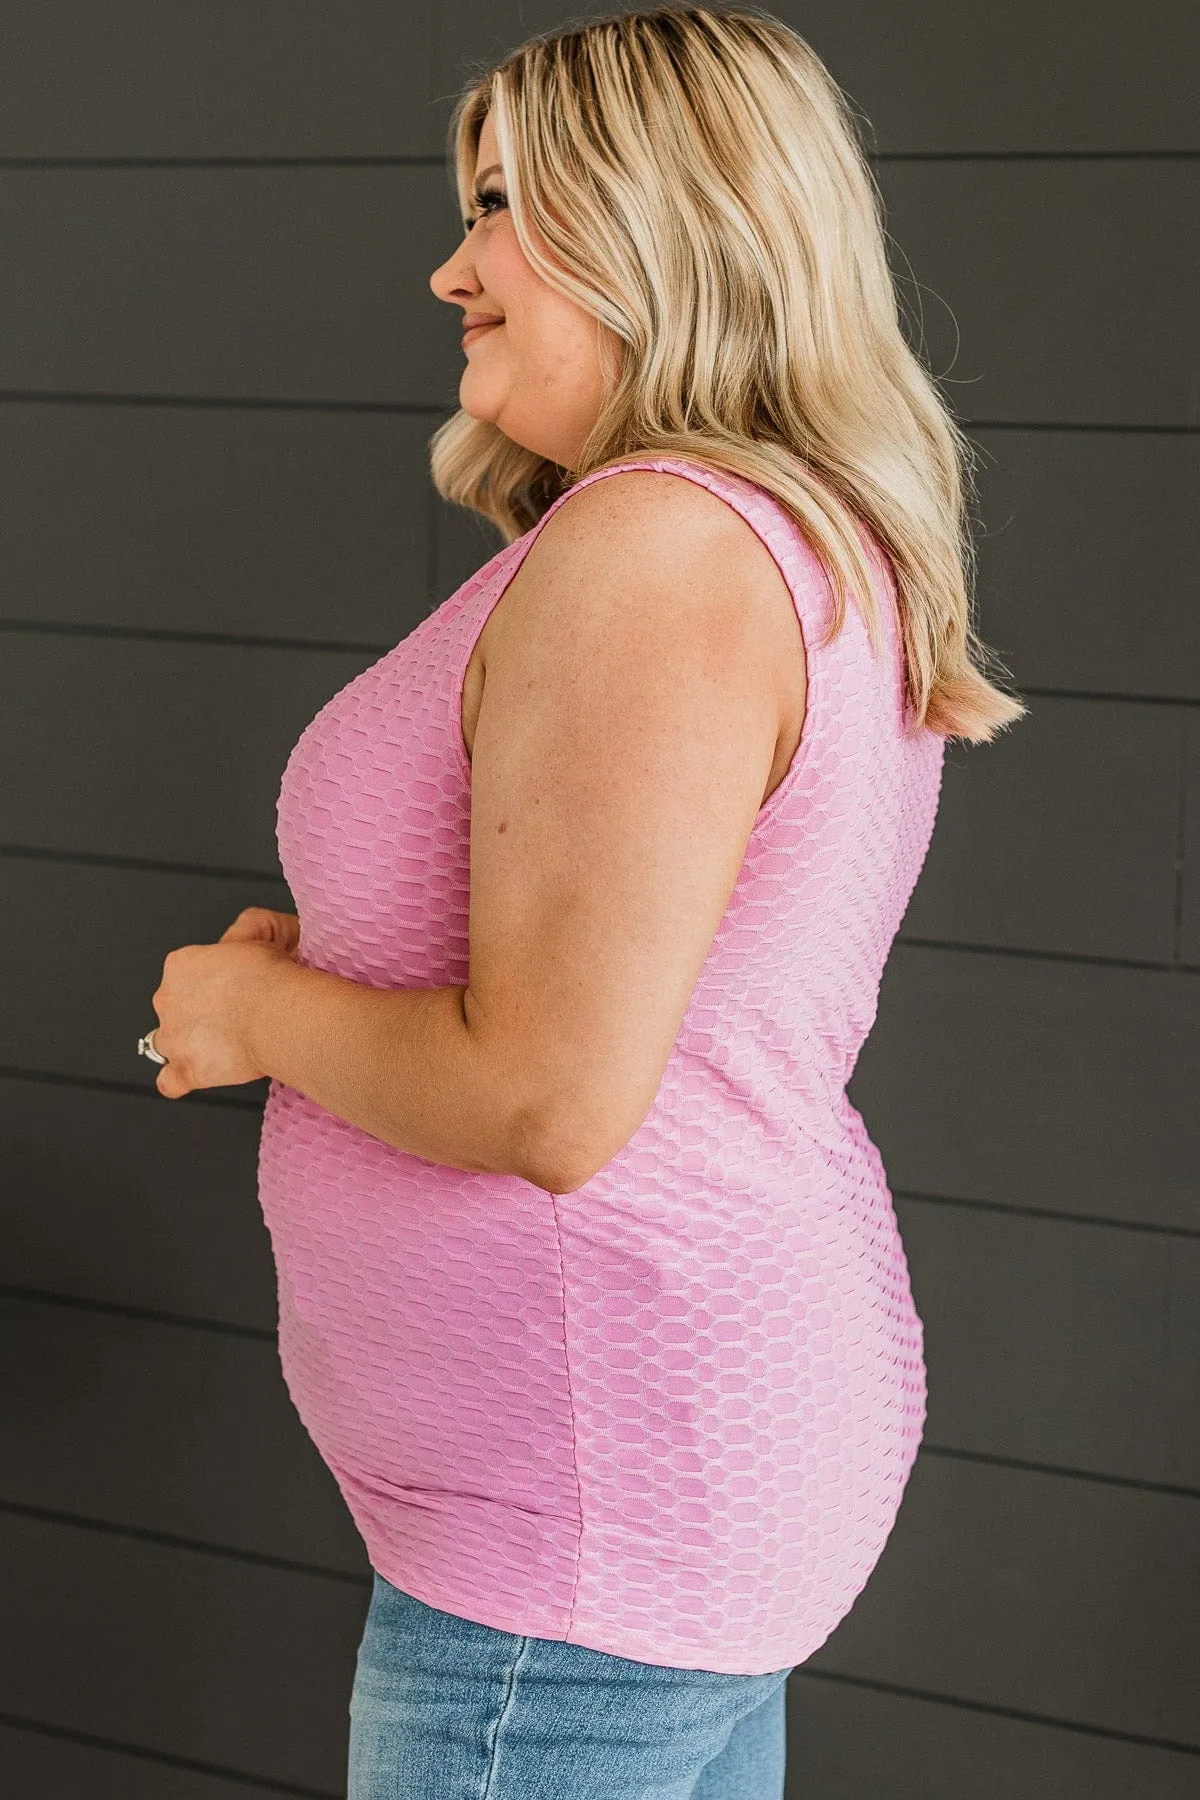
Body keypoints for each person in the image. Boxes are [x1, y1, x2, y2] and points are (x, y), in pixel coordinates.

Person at [141, 6, 1026, 1795]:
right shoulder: (750, 532)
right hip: (637, 1492)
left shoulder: (663, 549)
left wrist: (256, 1016)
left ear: (664, 213)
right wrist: (322, 979)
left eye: (503, 204)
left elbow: (550, 1095)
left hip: (582, 1538)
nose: (452, 264)